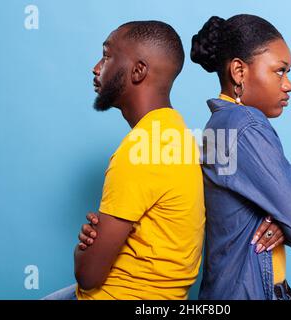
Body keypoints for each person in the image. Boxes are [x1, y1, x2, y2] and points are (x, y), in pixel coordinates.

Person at [43, 20, 205, 300]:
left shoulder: (138, 151)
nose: (96, 68)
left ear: (138, 71)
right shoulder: (176, 132)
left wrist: (83, 246)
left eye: (106, 56)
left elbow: (88, 275)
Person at [190, 14, 291, 300]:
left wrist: (284, 219)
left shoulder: (221, 124)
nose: (288, 84)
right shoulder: (246, 125)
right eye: (280, 71)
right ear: (239, 71)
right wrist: (288, 219)